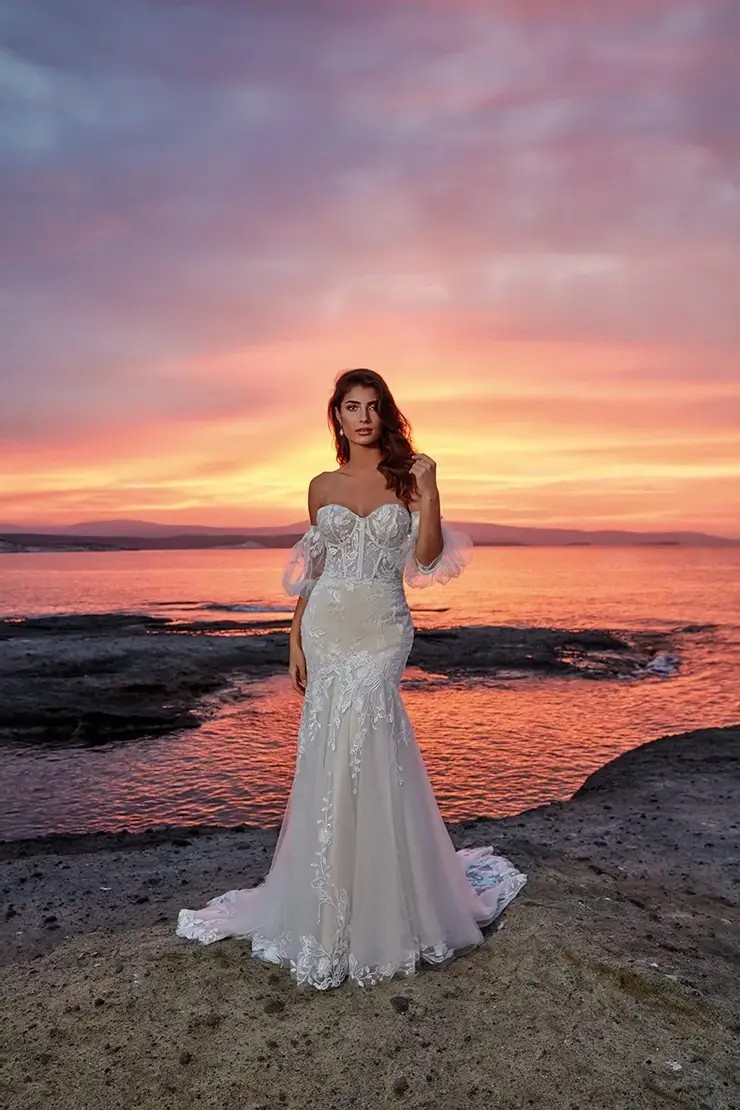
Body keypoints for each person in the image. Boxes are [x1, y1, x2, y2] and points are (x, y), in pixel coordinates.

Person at [176, 368, 527, 989]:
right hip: (329, 625)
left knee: (372, 737)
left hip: (384, 626)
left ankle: (388, 900)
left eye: (372, 407)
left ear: (385, 414)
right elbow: (315, 567)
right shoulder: (320, 486)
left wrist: (433, 489)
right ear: (336, 416)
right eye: (350, 407)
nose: (362, 417)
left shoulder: (409, 474)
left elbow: (425, 558)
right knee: (329, 750)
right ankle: (327, 900)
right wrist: (293, 637)